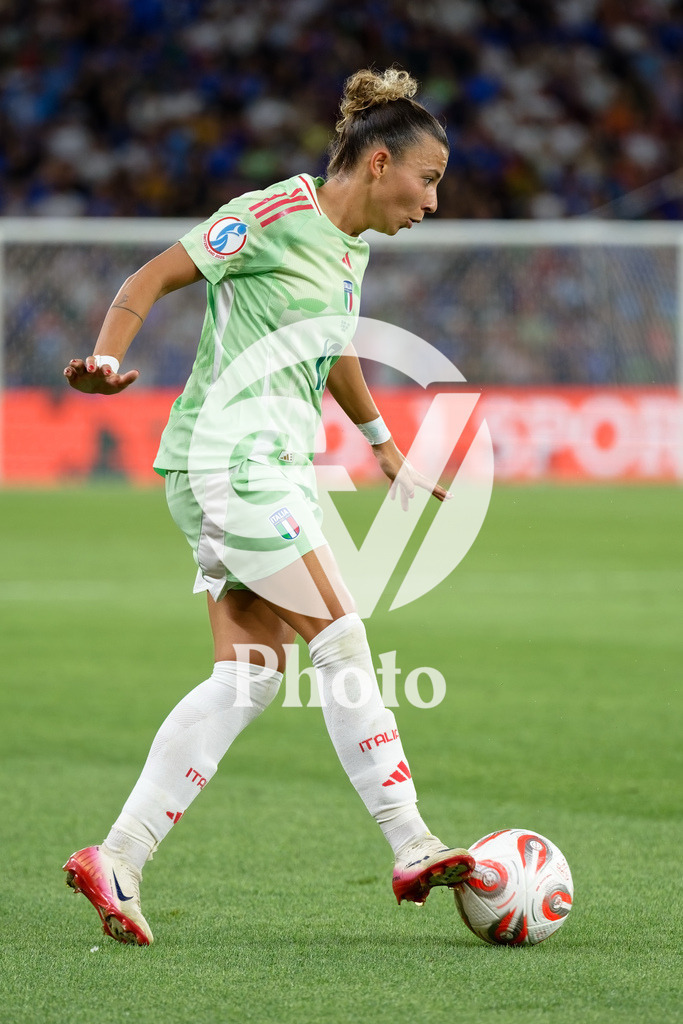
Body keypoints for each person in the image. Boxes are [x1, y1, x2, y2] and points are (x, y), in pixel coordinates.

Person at [62, 67, 474, 946]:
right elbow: (148, 278)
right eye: (428, 178)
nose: (432, 201)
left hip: (278, 468)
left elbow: (333, 349)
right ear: (375, 163)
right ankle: (411, 841)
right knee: (343, 634)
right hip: (225, 461)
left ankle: (119, 856)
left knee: (249, 677)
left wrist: (380, 443)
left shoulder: (350, 250)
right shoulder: (273, 214)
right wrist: (104, 359)